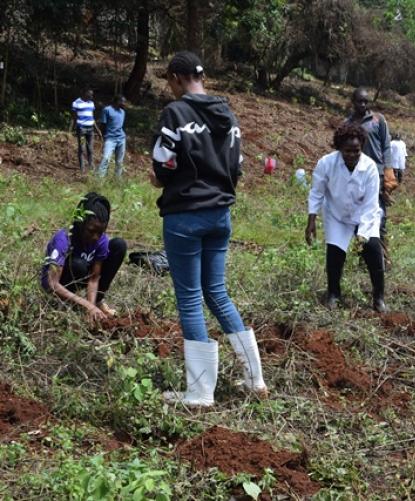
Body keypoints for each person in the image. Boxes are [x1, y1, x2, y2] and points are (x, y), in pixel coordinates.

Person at [150, 51, 267, 407]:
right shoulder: (228, 115)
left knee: (189, 298)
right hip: (220, 215)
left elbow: (162, 163)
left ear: (176, 77)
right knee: (217, 292)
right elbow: (238, 167)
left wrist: (161, 178)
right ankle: (255, 380)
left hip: (185, 215)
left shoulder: (176, 113)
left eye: (169, 81)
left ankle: (200, 392)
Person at [306, 122, 387, 313]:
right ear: (339, 148)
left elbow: (370, 204)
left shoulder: (370, 168)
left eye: (356, 151)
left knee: (373, 251)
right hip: (337, 215)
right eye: (347, 151)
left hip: (363, 214)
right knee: (335, 253)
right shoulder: (326, 163)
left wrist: (363, 234)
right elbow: (317, 192)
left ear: (362, 148)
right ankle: (334, 294)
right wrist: (311, 220)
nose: (352, 155)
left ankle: (379, 297)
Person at [41, 192, 126, 322]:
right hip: (60, 284)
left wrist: (90, 307)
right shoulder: (64, 239)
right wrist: (85, 304)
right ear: (81, 224)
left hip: (82, 276)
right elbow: (52, 283)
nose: (95, 237)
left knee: (119, 245)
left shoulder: (101, 241)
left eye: (100, 232)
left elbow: (93, 279)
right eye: (91, 231)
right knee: (78, 265)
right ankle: (62, 303)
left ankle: (97, 303)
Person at [345, 87, 397, 264]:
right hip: (357, 176)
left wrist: (388, 169)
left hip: (378, 175)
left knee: (379, 215)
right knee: (358, 215)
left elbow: (386, 146)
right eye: (359, 101)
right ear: (353, 102)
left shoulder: (378, 120)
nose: (363, 104)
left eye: (366, 101)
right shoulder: (348, 123)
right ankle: (362, 255)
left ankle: (383, 257)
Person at [70, 89, 102, 173]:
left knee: (90, 149)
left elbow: (92, 117)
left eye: (92, 95)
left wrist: (97, 130)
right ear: (84, 93)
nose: (91, 96)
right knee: (82, 148)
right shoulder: (76, 103)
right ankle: (82, 168)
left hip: (90, 129)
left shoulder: (91, 103)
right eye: (90, 95)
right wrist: (72, 128)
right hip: (81, 129)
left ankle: (91, 167)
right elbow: (74, 117)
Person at [97, 95, 128, 178]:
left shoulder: (122, 112)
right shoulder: (107, 110)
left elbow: (120, 125)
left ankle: (117, 180)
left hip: (121, 139)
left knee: (119, 161)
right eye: (123, 102)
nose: (124, 104)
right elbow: (102, 125)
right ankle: (99, 180)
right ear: (117, 101)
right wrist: (104, 137)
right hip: (110, 139)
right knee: (106, 158)